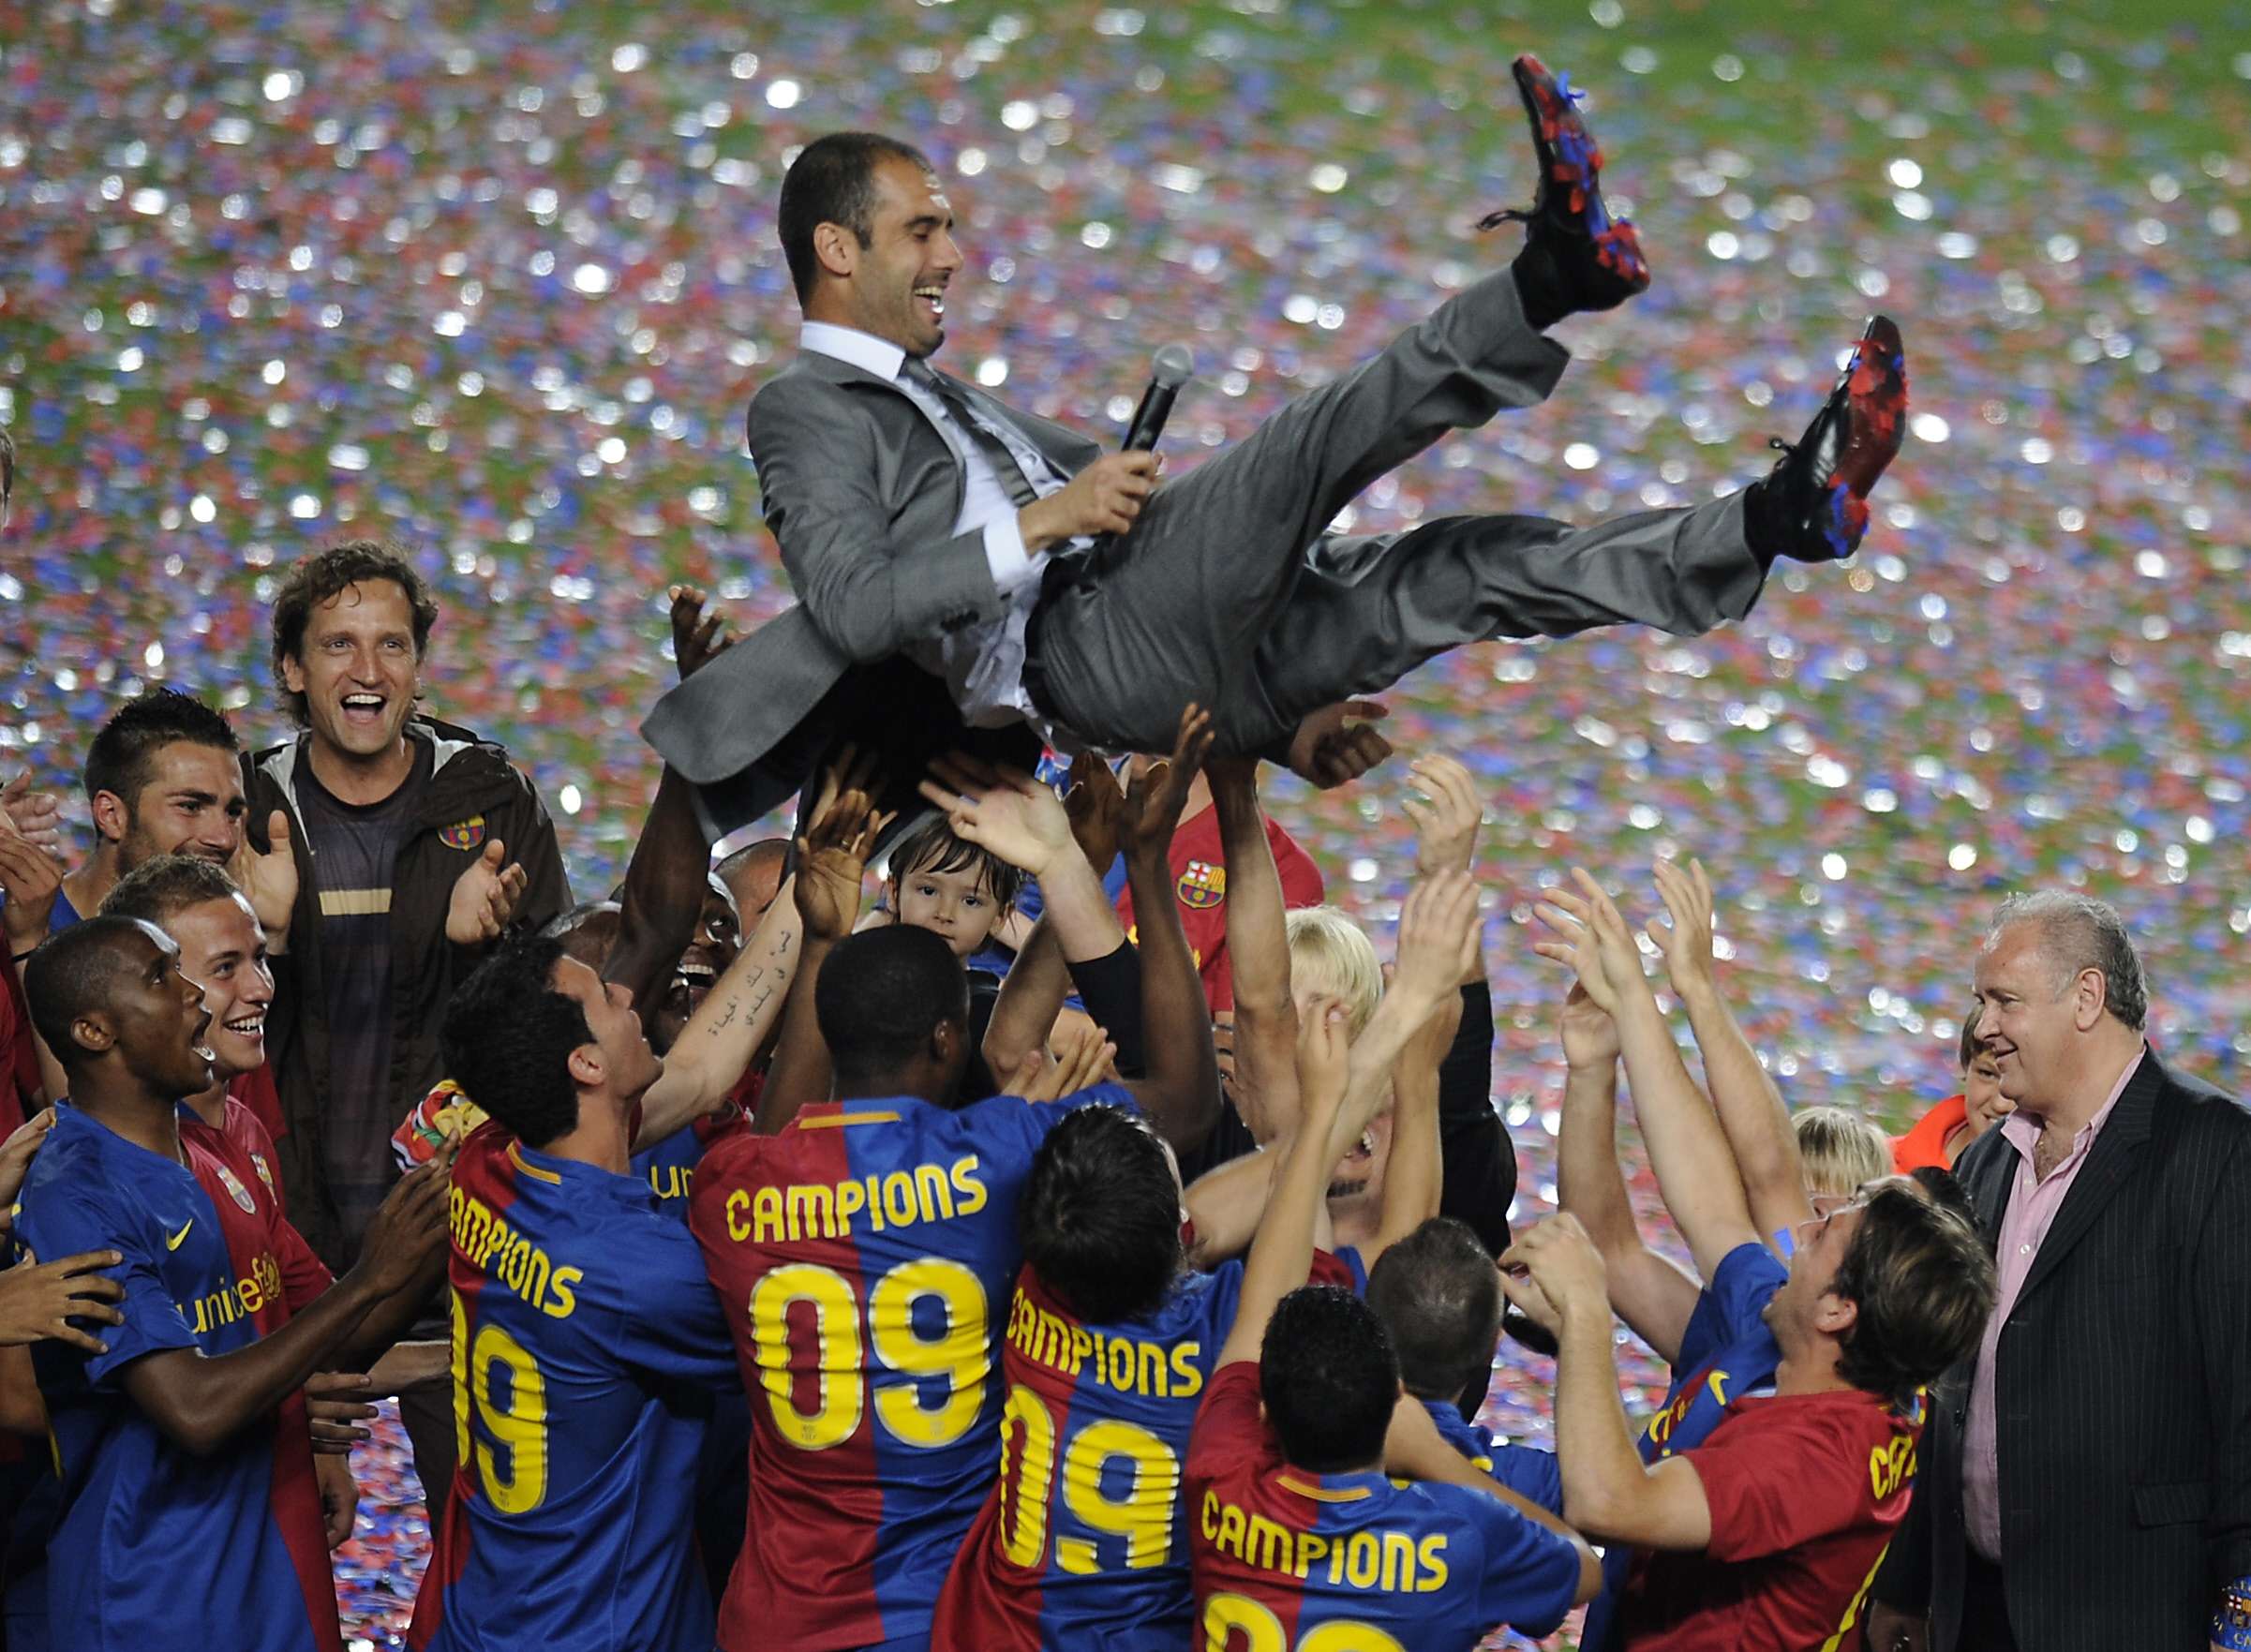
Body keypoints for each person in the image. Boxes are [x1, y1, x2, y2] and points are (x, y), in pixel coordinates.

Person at [644, 58, 1910, 842]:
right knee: (1313, 438)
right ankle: (1548, 272)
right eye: (921, 227)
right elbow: (857, 605)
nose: (951, 254)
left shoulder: (941, 396)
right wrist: (1051, 519)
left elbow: (1087, 498)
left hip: (1155, 647)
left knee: (1460, 570)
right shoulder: (801, 408)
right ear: (835, 249)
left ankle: (1775, 519)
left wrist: (1281, 723)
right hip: (1083, 646)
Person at [689, 714, 1221, 1652]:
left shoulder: (733, 1186)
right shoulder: (998, 1154)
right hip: (946, 1615)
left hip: (776, 1616)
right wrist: (1130, 862)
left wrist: (821, 941)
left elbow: (776, 1133)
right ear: (947, 1037)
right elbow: (1182, 1098)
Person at [930, 855, 1477, 1650]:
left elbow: (1269, 1172)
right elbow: (1376, 1243)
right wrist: (1413, 1055)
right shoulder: (1228, 1335)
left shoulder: (1035, 1288)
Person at [1519, 870, 1994, 1650]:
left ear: (1839, 1308)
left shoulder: (1811, 1464)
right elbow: (1730, 1190)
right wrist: (1643, 1003)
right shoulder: (1801, 1333)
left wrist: (1582, 1321)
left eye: (1828, 1226)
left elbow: (1609, 1500)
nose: (1801, 1227)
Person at [1185, 872, 1602, 1649]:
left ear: (1259, 1401)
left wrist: (1327, 1106)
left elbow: (1270, 1273)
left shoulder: (1219, 1465)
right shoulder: (1465, 1523)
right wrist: (1435, 1455)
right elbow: (1584, 1564)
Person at [10, 915, 449, 1652]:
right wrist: (369, 1278)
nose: (196, 997)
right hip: (149, 1593)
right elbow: (195, 1407)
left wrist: (430, 1228)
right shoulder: (75, 1190)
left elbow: (321, 1349)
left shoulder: (206, 1151)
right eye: (163, 978)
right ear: (93, 1031)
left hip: (255, 1567)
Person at [243, 538, 572, 1511]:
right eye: (338, 645)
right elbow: (179, 1024)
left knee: (491, 1524)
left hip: (451, 1233)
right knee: (266, 1534)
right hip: (280, 1232)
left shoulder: (491, 796)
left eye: (391, 644)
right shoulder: (245, 802)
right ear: (295, 671)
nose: (368, 670)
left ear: (419, 667)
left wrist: (486, 948)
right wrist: (264, 933)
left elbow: (550, 1023)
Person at [1865, 892, 2251, 1652]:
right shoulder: (1983, 1162)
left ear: (2086, 997)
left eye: (2004, 1000)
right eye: (1981, 1001)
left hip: (2135, 1616)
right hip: (1977, 1611)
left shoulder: (2213, 1150)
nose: (1983, 1027)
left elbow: (2247, 1405)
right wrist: (1907, 1581)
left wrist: (2240, 1619)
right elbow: (1948, 1397)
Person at [404, 931, 751, 1652]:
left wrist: (803, 907)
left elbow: (700, 1071)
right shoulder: (637, 1270)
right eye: (607, 995)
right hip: (591, 1629)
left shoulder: (486, 1164)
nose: (630, 994)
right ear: (585, 1062)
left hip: (480, 1612)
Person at [1892, 1016, 2013, 1173]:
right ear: (1964, 1067)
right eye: (1987, 1073)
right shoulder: (1879, 1167)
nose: (2001, 1104)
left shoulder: (2048, 1190)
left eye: (2027, 1081)